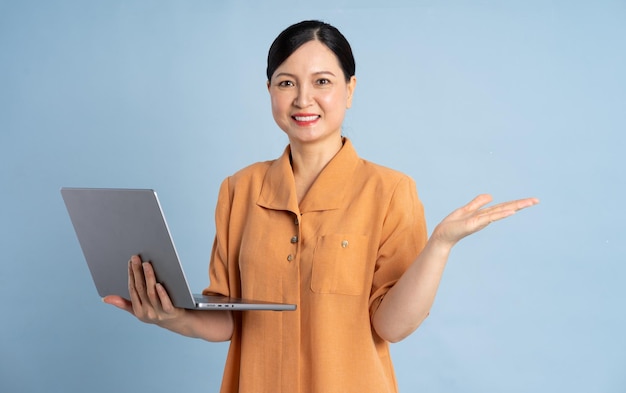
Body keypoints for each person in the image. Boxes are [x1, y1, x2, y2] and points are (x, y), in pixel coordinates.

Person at [104, 20, 539, 393]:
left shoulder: (390, 190)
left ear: (350, 90)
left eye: (323, 82)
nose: (303, 99)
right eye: (286, 82)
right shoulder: (239, 188)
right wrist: (167, 315)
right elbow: (228, 321)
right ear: (270, 90)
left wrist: (440, 246)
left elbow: (391, 326)